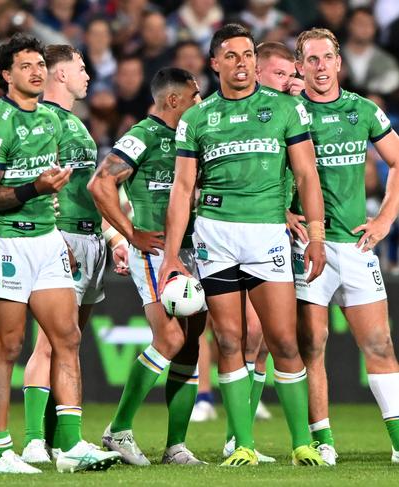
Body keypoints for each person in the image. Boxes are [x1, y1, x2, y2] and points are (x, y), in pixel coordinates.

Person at [158, 23, 327, 467]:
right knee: (230, 340)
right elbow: (182, 189)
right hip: (215, 236)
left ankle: (300, 444)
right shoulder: (196, 118)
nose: (242, 63)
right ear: (214, 63)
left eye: (248, 54)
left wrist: (317, 234)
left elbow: (308, 175)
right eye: (231, 56)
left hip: (267, 235)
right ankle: (244, 445)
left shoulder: (287, 108)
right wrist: (172, 256)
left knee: (284, 341)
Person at [0, 33, 121, 474]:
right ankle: (0, 451)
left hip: (48, 240)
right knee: (8, 347)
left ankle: (69, 446)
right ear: (5, 76)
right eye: (25, 66)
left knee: (68, 338)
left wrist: (58, 224)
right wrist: (33, 188)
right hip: (5, 241)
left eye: (40, 64)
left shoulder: (54, 122)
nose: (36, 71)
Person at [89, 67, 208, 466]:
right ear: (173, 100)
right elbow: (100, 184)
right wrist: (130, 233)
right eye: (195, 97)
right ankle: (118, 430)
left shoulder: (192, 137)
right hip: (155, 250)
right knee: (170, 340)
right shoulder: (142, 136)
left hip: (194, 250)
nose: (201, 103)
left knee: (190, 345)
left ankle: (176, 446)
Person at [291, 27, 399, 466]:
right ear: (300, 67)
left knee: (379, 344)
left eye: (326, 58)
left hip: (355, 246)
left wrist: (386, 219)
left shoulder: (364, 110)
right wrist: (283, 214)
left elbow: (397, 160)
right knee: (311, 345)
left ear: (340, 63)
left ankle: (397, 441)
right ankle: (322, 441)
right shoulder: (288, 113)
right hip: (307, 246)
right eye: (311, 60)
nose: (319, 67)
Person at [19, 44, 122, 463]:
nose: (88, 76)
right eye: (81, 68)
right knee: (50, 343)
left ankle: (57, 440)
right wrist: (57, 239)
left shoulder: (76, 125)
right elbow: (35, 184)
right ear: (60, 75)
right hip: (61, 241)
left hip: (88, 239)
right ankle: (31, 441)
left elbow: (82, 193)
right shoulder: (46, 122)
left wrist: (113, 240)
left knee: (68, 345)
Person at [220, 40, 305, 462]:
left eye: (293, 75)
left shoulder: (289, 113)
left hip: (275, 229)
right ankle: (239, 438)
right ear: (257, 73)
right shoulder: (236, 114)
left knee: (271, 340)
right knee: (246, 334)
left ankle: (242, 435)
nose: (289, 82)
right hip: (237, 230)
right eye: (280, 74)